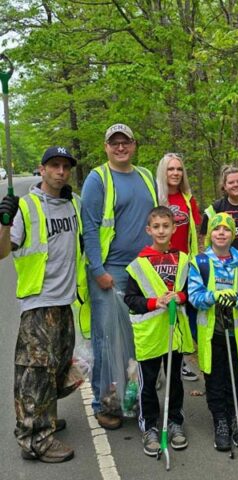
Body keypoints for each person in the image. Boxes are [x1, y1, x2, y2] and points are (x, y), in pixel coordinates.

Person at [0, 146, 86, 463]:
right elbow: (2, 251)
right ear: (42, 169)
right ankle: (34, 439)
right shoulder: (27, 206)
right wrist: (4, 221)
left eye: (65, 166)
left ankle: (45, 420)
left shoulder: (74, 204)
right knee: (34, 373)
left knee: (57, 369)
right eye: (54, 166)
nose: (60, 171)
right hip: (39, 303)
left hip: (65, 301)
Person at [81, 123, 158, 430]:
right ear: (106, 147)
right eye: (115, 143)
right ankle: (104, 402)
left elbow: (156, 220)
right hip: (111, 271)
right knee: (106, 340)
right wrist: (98, 270)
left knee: (137, 338)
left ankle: (133, 396)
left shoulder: (146, 176)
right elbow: (90, 225)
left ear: (134, 144)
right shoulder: (98, 178)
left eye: (125, 141)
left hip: (143, 270)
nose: (120, 147)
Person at [124, 206, 194, 456]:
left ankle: (175, 422)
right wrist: (156, 302)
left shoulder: (184, 259)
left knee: (175, 381)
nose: (162, 231)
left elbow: (191, 293)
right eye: (157, 226)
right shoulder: (138, 264)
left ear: (174, 228)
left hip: (174, 333)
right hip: (149, 335)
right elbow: (130, 300)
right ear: (149, 230)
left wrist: (181, 296)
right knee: (148, 383)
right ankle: (150, 426)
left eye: (166, 226)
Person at [188, 212, 238, 452]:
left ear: (233, 234)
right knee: (215, 380)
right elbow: (194, 297)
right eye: (217, 229)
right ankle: (221, 422)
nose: (221, 233)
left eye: (227, 229)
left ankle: (235, 417)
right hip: (212, 334)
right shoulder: (200, 262)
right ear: (210, 234)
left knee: (234, 379)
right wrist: (214, 297)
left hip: (235, 333)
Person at [156, 152, 202, 380]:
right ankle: (154, 370)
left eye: (179, 169)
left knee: (181, 313)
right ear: (162, 172)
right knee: (160, 314)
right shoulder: (155, 198)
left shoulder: (187, 198)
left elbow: (195, 231)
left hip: (184, 264)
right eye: (170, 169)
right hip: (160, 264)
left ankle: (180, 361)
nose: (175, 173)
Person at [200, 165, 238, 253]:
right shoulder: (215, 209)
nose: (236, 185)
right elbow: (205, 237)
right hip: (224, 259)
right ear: (224, 186)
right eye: (231, 182)